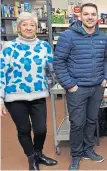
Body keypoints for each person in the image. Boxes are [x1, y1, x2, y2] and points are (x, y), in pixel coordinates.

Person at [53, 3, 107, 170]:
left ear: (97, 16)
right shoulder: (68, 36)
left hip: (97, 87)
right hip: (77, 89)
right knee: (78, 123)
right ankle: (76, 155)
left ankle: (88, 149)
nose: (90, 17)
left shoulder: (103, 36)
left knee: (92, 120)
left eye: (93, 14)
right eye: (86, 14)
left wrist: (105, 78)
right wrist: (70, 85)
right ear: (80, 16)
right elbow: (59, 62)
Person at [0, 12, 57, 170]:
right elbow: (1, 72)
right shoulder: (9, 47)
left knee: (41, 129)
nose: (29, 27)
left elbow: (51, 70)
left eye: (32, 24)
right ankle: (31, 158)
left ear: (36, 27)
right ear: (19, 27)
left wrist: (50, 86)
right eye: (25, 24)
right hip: (14, 97)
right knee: (24, 129)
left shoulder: (44, 46)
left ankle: (39, 153)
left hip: (38, 95)